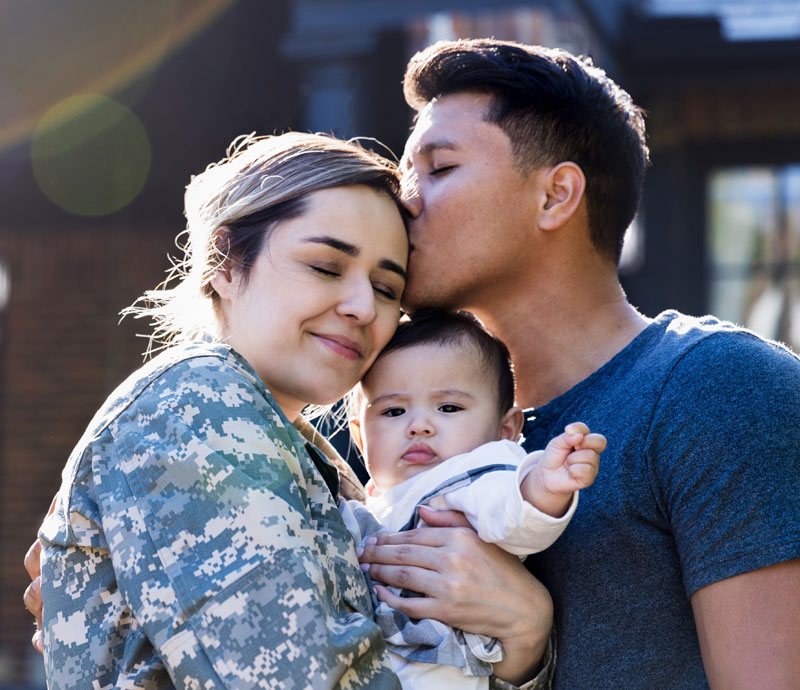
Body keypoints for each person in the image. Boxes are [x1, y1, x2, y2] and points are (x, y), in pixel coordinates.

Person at [28, 131, 552, 689]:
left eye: (385, 287)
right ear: (224, 264)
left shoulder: (301, 447)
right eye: (327, 267)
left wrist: (523, 636)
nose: (361, 308)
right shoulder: (196, 404)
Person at [354, 39, 800, 689]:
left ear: (556, 196)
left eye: (440, 168)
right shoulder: (394, 423)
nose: (407, 201)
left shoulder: (717, 390)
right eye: (404, 177)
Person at [340, 309, 604, 689]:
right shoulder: (377, 500)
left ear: (506, 430)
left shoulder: (471, 473)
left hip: (441, 669)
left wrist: (544, 485)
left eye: (448, 407)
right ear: (362, 438)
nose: (419, 425)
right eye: (394, 411)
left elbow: (511, 514)